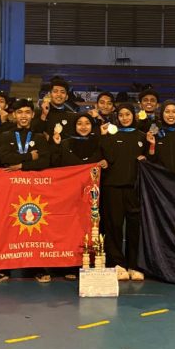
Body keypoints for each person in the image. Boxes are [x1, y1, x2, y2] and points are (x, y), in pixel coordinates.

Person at [50, 112, 108, 280]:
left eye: (87, 123)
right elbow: (55, 164)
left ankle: (91, 263)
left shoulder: (99, 143)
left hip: (92, 200)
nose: (83, 127)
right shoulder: (65, 143)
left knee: (92, 229)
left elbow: (109, 159)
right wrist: (55, 145)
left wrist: (105, 162)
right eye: (79, 123)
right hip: (69, 198)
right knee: (69, 230)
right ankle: (68, 265)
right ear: (74, 126)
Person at [0, 98, 52, 283]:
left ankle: (36, 267)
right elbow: (5, 157)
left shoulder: (39, 137)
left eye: (27, 112)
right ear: (14, 115)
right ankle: (4, 268)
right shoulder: (6, 135)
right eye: (20, 112)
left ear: (32, 115)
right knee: (8, 226)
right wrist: (30, 156)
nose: (23, 116)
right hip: (11, 188)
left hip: (32, 188)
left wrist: (21, 165)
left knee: (34, 227)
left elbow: (44, 161)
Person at [100, 103, 148, 281]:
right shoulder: (111, 135)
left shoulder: (142, 136)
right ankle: (117, 264)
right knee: (114, 227)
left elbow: (149, 159)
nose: (125, 118)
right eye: (121, 115)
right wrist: (104, 137)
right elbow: (108, 157)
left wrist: (147, 157)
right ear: (117, 117)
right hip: (113, 187)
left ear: (133, 115)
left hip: (134, 188)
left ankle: (133, 265)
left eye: (128, 114)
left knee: (134, 228)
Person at [146, 100, 175, 179]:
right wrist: (152, 145)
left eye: (174, 112)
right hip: (161, 181)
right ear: (162, 113)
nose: (171, 115)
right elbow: (150, 161)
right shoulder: (155, 133)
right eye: (167, 112)